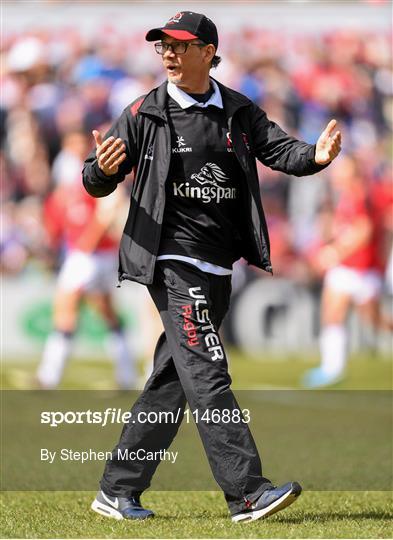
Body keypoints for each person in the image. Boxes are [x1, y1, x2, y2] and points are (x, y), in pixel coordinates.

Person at [83, 12, 341, 523]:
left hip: (218, 266)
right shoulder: (143, 112)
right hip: (170, 261)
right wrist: (102, 171)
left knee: (174, 379)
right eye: (163, 47)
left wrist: (315, 156)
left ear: (208, 51)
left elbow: (281, 150)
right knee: (207, 372)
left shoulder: (239, 110)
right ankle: (247, 491)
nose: (169, 54)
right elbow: (95, 179)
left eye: (180, 45)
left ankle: (118, 489)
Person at [37, 130, 137, 390]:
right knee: (107, 314)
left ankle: (49, 376)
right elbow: (58, 217)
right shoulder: (70, 182)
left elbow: (109, 210)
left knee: (65, 310)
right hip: (96, 255)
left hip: (88, 256)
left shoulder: (95, 174)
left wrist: (86, 243)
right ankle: (126, 375)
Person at [302, 154, 393, 388]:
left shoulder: (361, 194)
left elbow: (364, 231)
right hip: (348, 268)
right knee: (332, 313)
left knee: (373, 320)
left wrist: (335, 252)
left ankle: (332, 368)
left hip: (361, 269)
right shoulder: (345, 196)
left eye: (341, 170)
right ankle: (332, 368)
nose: (335, 174)